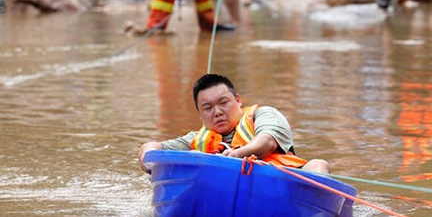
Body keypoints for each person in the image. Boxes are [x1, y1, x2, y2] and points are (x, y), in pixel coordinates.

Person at [138, 73, 329, 174]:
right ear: (200, 114)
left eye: (223, 103)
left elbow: (266, 143)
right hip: (226, 192)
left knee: (318, 164)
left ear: (238, 100)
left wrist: (235, 155)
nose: (218, 112)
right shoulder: (196, 139)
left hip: (280, 183)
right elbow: (155, 146)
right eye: (208, 107)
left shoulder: (264, 115)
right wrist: (147, 155)